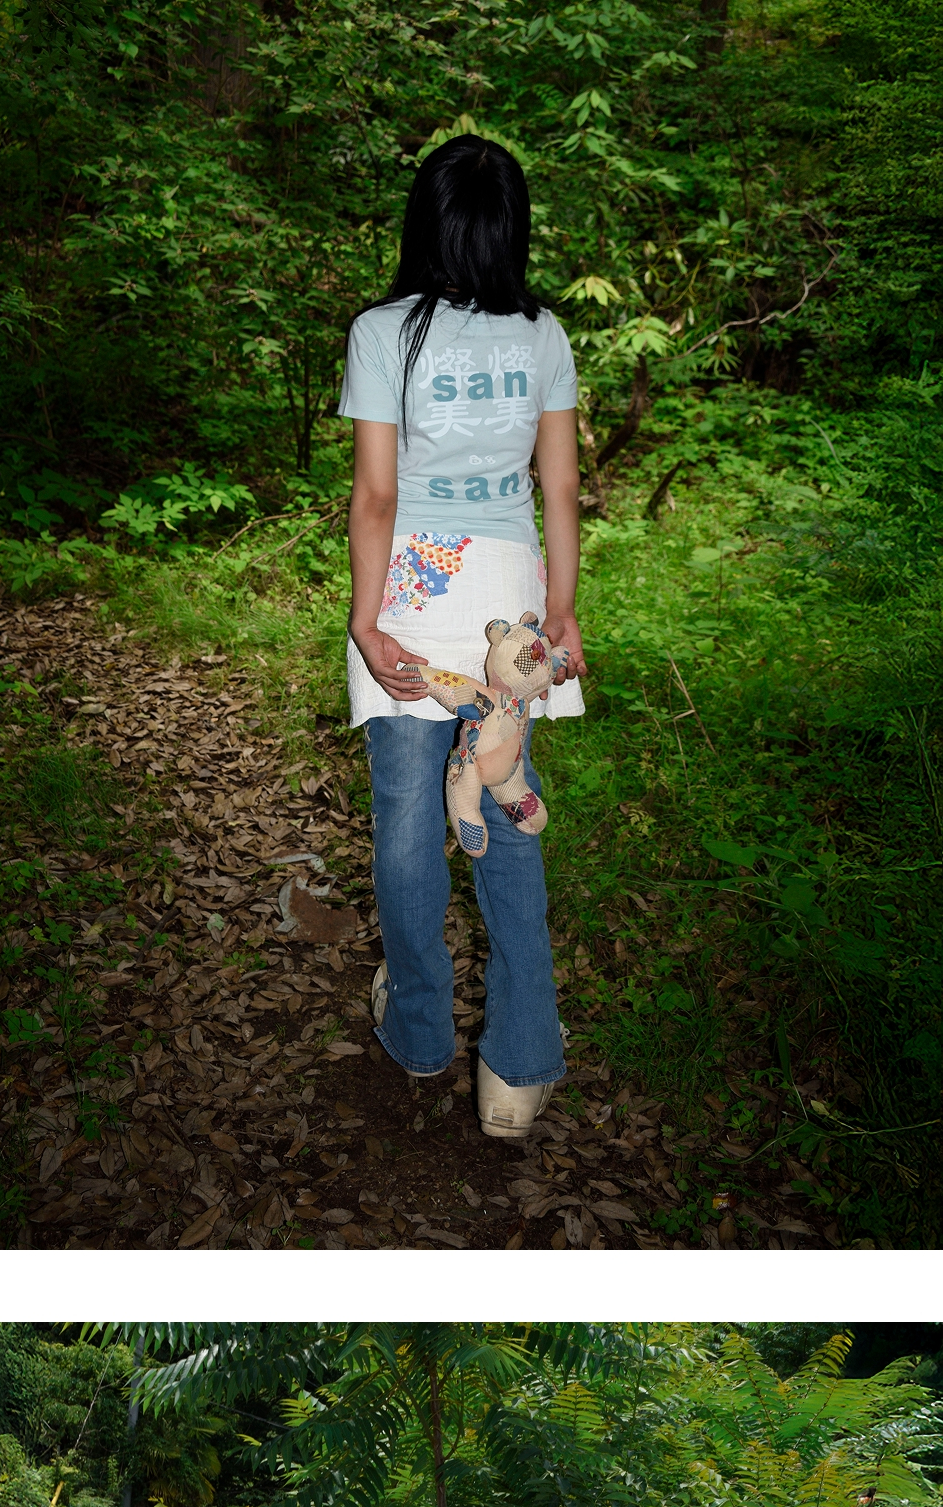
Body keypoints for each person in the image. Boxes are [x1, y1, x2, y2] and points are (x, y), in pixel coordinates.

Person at [339, 134, 585, 1140]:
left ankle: (421, 1031)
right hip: (507, 613)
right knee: (508, 815)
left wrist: (366, 620)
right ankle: (516, 1070)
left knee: (407, 822)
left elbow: (375, 496)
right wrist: (563, 608)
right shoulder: (544, 334)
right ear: (511, 230)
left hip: (410, 590)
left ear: (424, 224)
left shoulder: (381, 333)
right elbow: (558, 488)